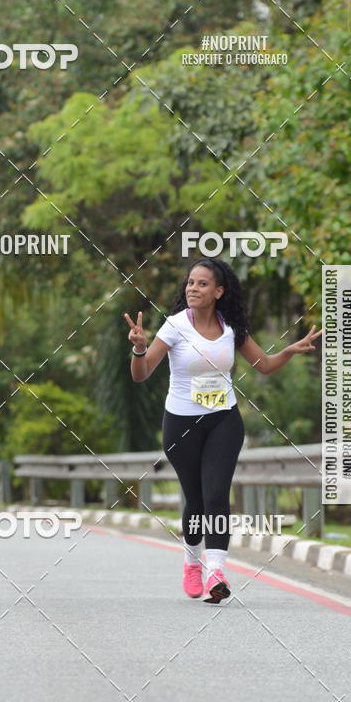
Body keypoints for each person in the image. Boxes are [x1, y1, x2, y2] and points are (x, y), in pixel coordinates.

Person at [124, 257, 322, 604]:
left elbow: (264, 365)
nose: (193, 288)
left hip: (223, 420)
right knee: (196, 499)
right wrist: (140, 348)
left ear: (219, 291)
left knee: (216, 494)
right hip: (181, 424)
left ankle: (216, 570)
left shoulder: (231, 328)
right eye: (190, 282)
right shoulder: (174, 326)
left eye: (202, 284)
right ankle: (192, 562)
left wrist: (289, 351)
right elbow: (141, 375)